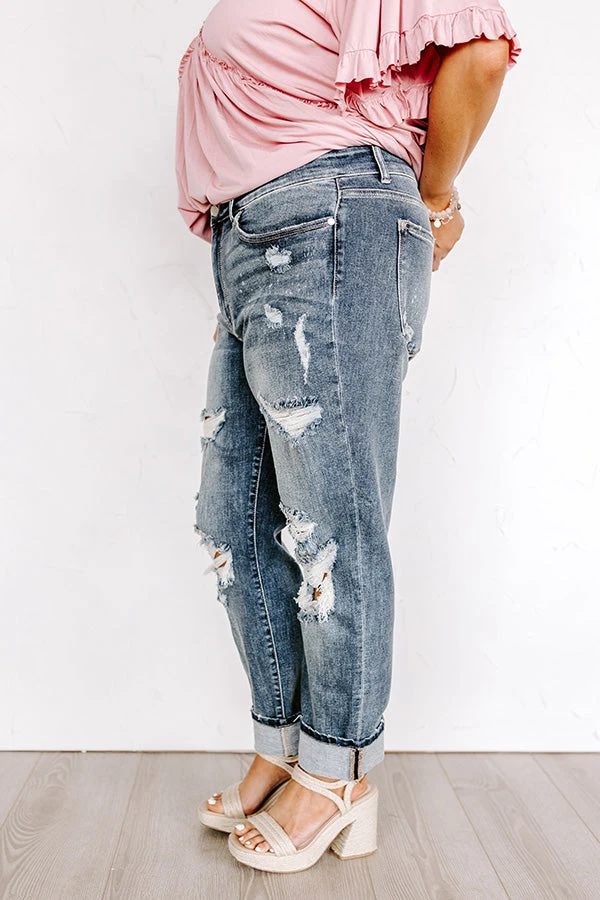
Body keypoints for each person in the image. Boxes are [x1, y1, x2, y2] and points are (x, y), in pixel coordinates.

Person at [176, 0, 521, 874]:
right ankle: (286, 742)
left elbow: (482, 51)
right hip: (256, 231)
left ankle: (339, 772)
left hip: (330, 212)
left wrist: (434, 196)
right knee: (233, 519)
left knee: (332, 520)